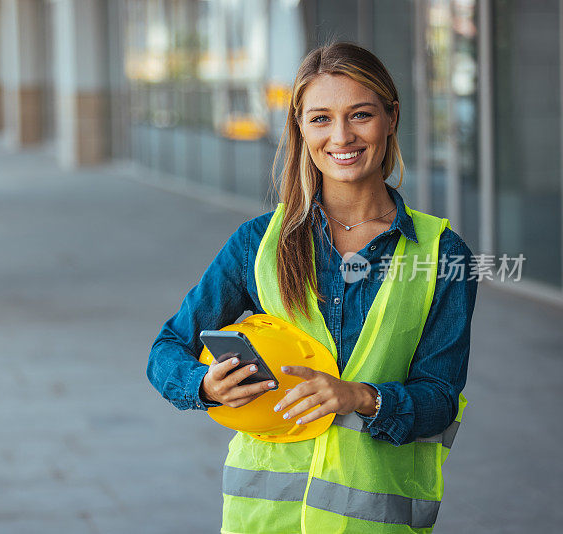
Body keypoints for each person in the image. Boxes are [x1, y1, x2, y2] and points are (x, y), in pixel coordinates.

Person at [147, 41, 478, 534]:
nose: (341, 136)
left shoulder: (442, 253)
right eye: (320, 118)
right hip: (262, 520)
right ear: (300, 129)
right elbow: (167, 348)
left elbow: (440, 398)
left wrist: (360, 397)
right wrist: (205, 386)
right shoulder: (258, 244)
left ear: (392, 117)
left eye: (360, 115)